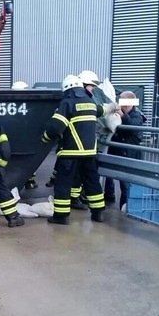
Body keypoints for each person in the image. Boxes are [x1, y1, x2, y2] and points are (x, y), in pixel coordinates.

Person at [40, 74, 117, 225]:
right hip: (89, 153)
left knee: (63, 184)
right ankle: (98, 213)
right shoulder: (90, 102)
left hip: (71, 152)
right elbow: (102, 110)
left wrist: (44, 138)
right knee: (92, 182)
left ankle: (61, 216)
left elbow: (55, 127)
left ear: (67, 89)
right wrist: (114, 106)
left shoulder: (67, 103)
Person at [104, 91, 146, 210]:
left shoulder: (137, 115)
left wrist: (122, 115)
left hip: (129, 155)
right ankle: (109, 197)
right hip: (117, 152)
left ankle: (125, 207)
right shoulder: (122, 114)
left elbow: (133, 126)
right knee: (109, 176)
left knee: (126, 184)